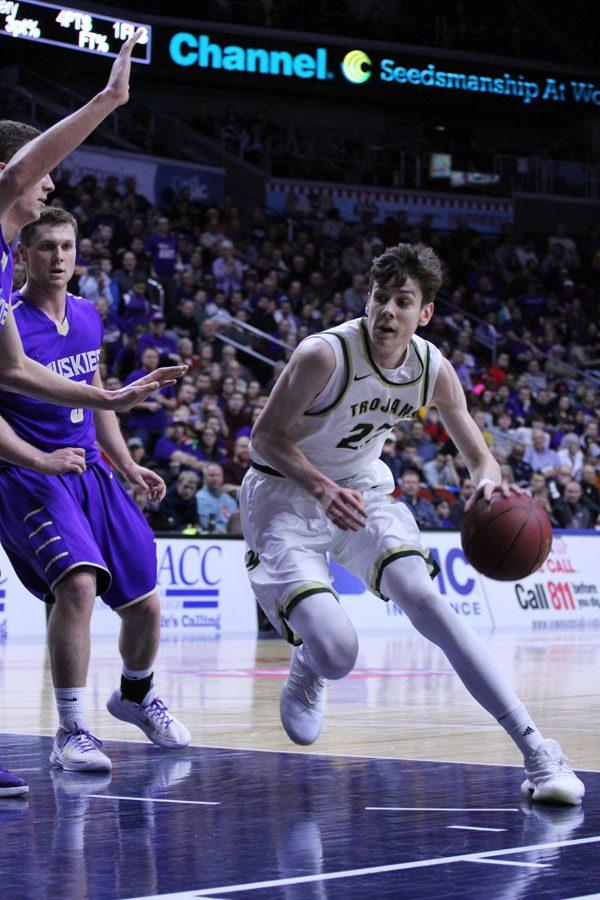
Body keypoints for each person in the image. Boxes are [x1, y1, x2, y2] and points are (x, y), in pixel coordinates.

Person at [240, 243, 584, 805]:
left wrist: (485, 480)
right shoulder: (323, 355)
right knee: (338, 651)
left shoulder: (432, 368)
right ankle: (311, 661)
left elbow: (479, 453)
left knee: (427, 599)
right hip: (284, 498)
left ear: (424, 313)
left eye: (403, 302)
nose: (387, 313)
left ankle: (538, 751)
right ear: (367, 298)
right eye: (380, 298)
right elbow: (263, 438)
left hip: (361, 490)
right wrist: (321, 488)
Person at [0, 32, 183, 797]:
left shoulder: (75, 306)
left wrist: (112, 430)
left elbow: (11, 365)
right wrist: (108, 99)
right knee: (74, 588)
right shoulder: (9, 253)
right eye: (42, 181)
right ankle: (73, 727)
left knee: (138, 595)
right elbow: (12, 373)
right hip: (33, 469)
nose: (49, 189)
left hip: (86, 467)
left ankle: (126, 698)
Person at [196, 463, 239, 534]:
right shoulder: (200, 498)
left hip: (231, 537)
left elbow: (235, 522)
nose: (215, 478)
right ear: (204, 479)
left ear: (222, 478)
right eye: (211, 475)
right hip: (210, 538)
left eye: (218, 475)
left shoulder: (229, 499)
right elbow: (206, 524)